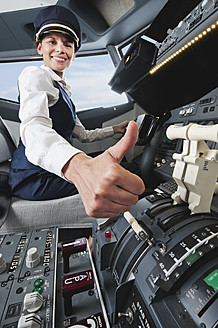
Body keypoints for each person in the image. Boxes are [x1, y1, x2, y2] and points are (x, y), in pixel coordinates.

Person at [9, 5, 145, 218]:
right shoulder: (34, 75)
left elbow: (82, 134)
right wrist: (79, 167)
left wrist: (115, 129)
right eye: (52, 42)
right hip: (33, 177)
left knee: (123, 165)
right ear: (39, 48)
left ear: (73, 54)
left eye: (68, 44)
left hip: (48, 170)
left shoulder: (64, 92)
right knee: (129, 172)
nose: (60, 49)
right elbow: (34, 128)